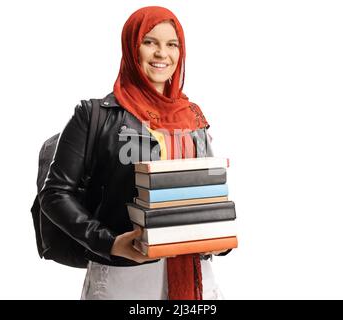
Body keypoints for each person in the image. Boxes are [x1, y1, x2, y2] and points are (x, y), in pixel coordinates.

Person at [39, 6, 231, 300]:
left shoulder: (194, 118)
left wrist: (219, 241)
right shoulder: (94, 115)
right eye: (150, 42)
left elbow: (207, 195)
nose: (161, 54)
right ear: (131, 47)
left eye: (172, 44)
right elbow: (54, 195)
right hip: (123, 278)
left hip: (195, 276)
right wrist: (110, 243)